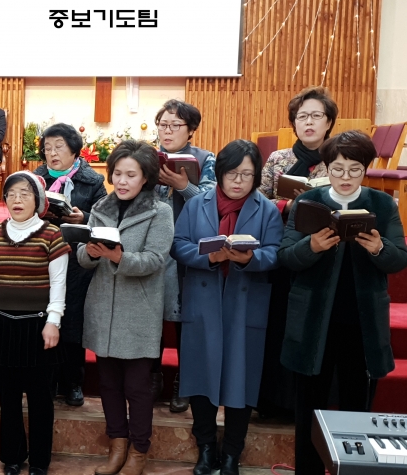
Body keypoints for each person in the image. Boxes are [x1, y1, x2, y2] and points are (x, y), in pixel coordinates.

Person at [279, 131, 407, 475]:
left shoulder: (382, 204)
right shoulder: (309, 202)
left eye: (354, 169)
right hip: (314, 320)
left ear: (365, 168)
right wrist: (311, 247)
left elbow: (399, 259)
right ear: (327, 168)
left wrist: (379, 248)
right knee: (310, 406)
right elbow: (286, 256)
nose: (346, 177)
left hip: (361, 322)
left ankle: (353, 469)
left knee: (356, 407)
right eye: (338, 169)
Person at [171, 140, 283, 475]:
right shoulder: (197, 204)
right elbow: (178, 245)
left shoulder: (267, 209)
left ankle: (232, 452)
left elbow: (275, 252)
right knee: (199, 376)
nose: (239, 181)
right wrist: (211, 255)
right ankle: (206, 449)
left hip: (245, 302)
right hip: (203, 300)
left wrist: (249, 259)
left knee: (240, 379)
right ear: (219, 173)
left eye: (247, 175)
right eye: (232, 173)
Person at [78, 140, 174, 475]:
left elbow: (155, 259)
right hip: (103, 307)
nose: (121, 180)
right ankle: (117, 445)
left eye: (130, 175)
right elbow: (84, 257)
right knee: (108, 384)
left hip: (139, 311)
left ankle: (139, 451)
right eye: (117, 173)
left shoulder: (160, 211)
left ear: (145, 177)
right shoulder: (101, 206)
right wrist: (90, 253)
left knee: (137, 387)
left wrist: (119, 257)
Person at [0, 171, 69, 475]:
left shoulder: (52, 235)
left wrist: (53, 321)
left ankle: (39, 461)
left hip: (37, 326)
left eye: (25, 194)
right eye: (12, 193)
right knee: (8, 398)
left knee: (41, 399)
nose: (17, 199)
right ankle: (12, 456)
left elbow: (59, 284)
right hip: (2, 324)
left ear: (38, 200)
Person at [256, 86, 337, 418]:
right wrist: (287, 206)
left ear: (329, 122)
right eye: (302, 116)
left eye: (316, 116)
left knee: (314, 328)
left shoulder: (338, 161)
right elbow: (258, 201)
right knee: (280, 325)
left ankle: (311, 405)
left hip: (324, 251)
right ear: (294, 123)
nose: (309, 122)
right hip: (283, 250)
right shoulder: (279, 159)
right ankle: (275, 403)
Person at [33, 123, 106, 406]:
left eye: (58, 147)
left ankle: (73, 382)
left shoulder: (93, 181)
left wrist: (83, 217)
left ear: (74, 150)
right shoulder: (35, 179)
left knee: (73, 322)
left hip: (77, 261)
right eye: (47, 148)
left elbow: (105, 217)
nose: (52, 153)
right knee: (44, 318)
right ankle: (47, 381)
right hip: (43, 258)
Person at [152, 99, 217, 412]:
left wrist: (183, 186)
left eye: (175, 125)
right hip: (153, 247)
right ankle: (152, 376)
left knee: (184, 320)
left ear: (190, 130)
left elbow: (212, 203)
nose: (167, 131)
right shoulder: (148, 157)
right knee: (151, 315)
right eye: (163, 124)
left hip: (187, 250)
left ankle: (184, 380)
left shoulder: (206, 159)